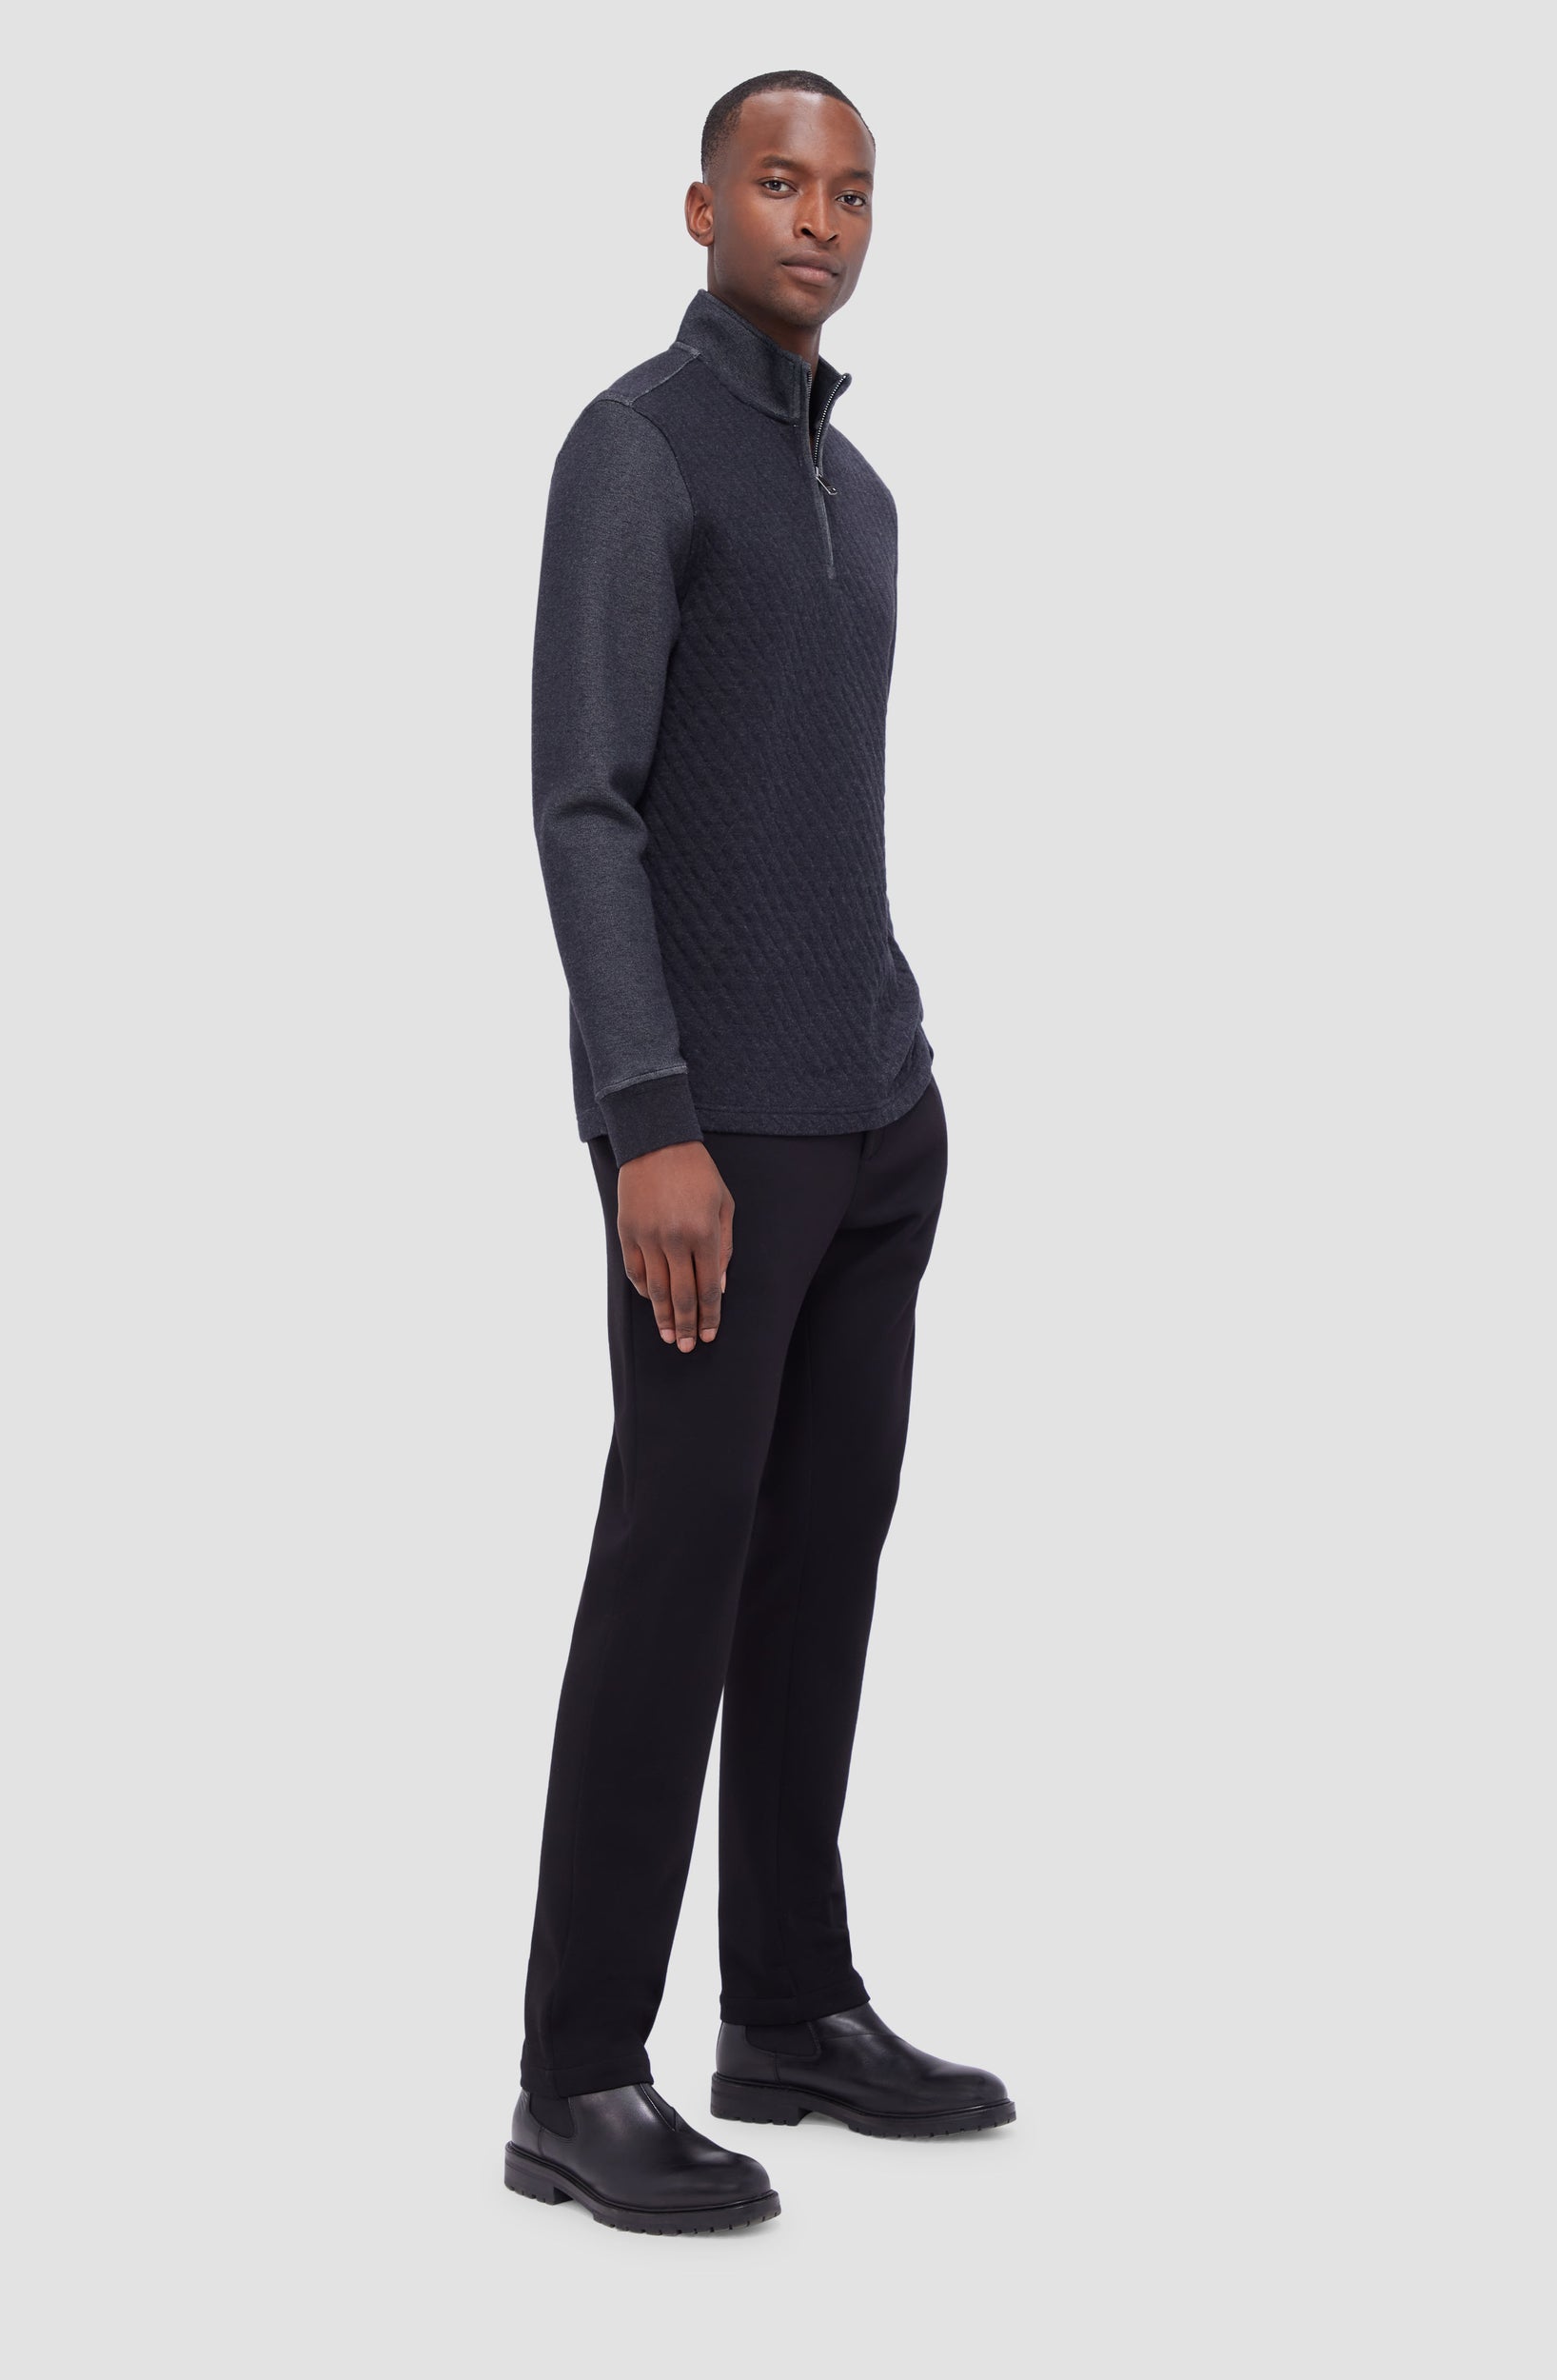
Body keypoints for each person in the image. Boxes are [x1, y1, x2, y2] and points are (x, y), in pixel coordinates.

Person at [504, 69, 1015, 2237]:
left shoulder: (863, 496)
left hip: (872, 1119)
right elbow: (585, 799)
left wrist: (904, 1081)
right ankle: (575, 2073)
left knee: (822, 1566)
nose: (819, 218)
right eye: (781, 183)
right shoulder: (636, 449)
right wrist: (648, 1118)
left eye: (853, 192)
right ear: (701, 206)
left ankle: (787, 2005)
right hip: (710, 1143)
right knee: (673, 1570)